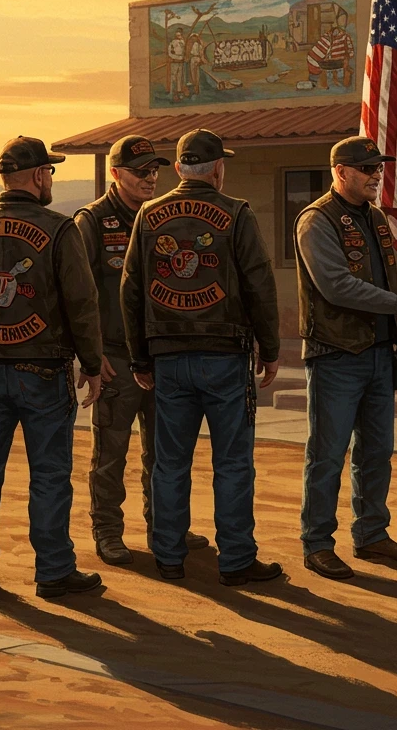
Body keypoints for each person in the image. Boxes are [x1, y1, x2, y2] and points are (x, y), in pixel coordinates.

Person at [0, 136, 104, 599]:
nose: (50, 178)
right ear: (36, 176)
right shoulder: (59, 228)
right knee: (50, 474)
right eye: (49, 171)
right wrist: (92, 364)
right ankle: (53, 571)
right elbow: (82, 303)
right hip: (43, 372)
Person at [121, 128, 281, 587]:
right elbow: (259, 286)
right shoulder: (235, 213)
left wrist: (139, 359)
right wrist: (269, 350)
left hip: (168, 358)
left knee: (170, 463)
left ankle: (168, 558)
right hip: (225, 357)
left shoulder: (149, 215)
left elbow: (131, 290)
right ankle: (235, 560)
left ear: (178, 168)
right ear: (217, 168)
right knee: (232, 463)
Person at [293, 135, 397, 580]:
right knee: (327, 454)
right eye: (367, 169)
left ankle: (372, 534)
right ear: (341, 172)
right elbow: (338, 287)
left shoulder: (373, 217)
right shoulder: (316, 220)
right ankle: (317, 542)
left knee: (377, 453)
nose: (377, 175)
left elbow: (389, 283)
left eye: (379, 168)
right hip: (335, 355)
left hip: (378, 355)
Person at [75, 135, 209, 566]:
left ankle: (166, 527)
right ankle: (108, 532)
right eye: (141, 171)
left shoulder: (164, 216)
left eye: (155, 170)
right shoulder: (93, 221)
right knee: (111, 452)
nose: (151, 178)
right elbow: (78, 294)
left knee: (167, 451)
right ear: (115, 174)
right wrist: (91, 355)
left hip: (162, 355)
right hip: (115, 357)